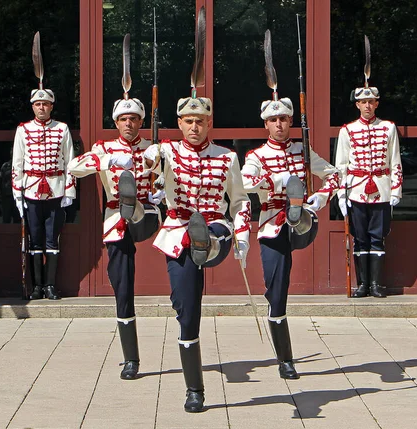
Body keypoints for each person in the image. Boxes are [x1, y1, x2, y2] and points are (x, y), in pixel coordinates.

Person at [143, 96, 251, 413]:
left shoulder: (227, 157)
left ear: (209, 123)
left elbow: (240, 200)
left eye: (200, 121)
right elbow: (152, 158)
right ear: (179, 124)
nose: (194, 126)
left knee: (214, 234)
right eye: (188, 121)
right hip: (178, 231)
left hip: (216, 225)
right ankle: (195, 391)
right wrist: (151, 155)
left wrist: (243, 237)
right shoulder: (167, 152)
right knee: (187, 312)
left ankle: (212, 245)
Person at [241, 96, 340, 380]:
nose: (279, 124)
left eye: (283, 119)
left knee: (281, 288)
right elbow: (246, 182)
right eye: (273, 120)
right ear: (266, 125)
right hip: (273, 223)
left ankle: (286, 360)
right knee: (277, 290)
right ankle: (285, 357)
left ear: (290, 122)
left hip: (301, 221)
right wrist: (277, 180)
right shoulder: (256, 156)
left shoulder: (302, 150)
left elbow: (333, 175)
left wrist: (319, 200)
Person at [67, 97, 163, 380]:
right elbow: (74, 167)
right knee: (122, 285)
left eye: (134, 119)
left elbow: (174, 177)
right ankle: (130, 358)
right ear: (116, 123)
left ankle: (136, 203)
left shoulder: (153, 148)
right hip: (115, 219)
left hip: (148, 214)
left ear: (142, 122)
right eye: (124, 119)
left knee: (145, 216)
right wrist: (108, 160)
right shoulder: (104, 148)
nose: (129, 123)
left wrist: (162, 188)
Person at [335, 85, 403, 298]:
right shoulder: (347, 130)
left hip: (381, 188)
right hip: (356, 189)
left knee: (377, 237)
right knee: (360, 238)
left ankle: (376, 284)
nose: (367, 105)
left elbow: (395, 161)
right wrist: (341, 194)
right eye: (363, 102)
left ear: (377, 104)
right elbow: (341, 165)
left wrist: (395, 191)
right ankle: (362, 284)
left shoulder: (389, 128)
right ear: (357, 105)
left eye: (371, 101)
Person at [11, 88, 76, 300]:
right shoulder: (23, 130)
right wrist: (17, 194)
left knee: (52, 240)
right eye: (38, 104)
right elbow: (17, 163)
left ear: (51, 106)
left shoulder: (62, 129)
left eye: (46, 104)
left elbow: (70, 162)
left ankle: (50, 285)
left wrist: (69, 191)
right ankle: (37, 286)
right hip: (31, 189)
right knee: (34, 240)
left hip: (56, 190)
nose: (42, 107)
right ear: (33, 106)